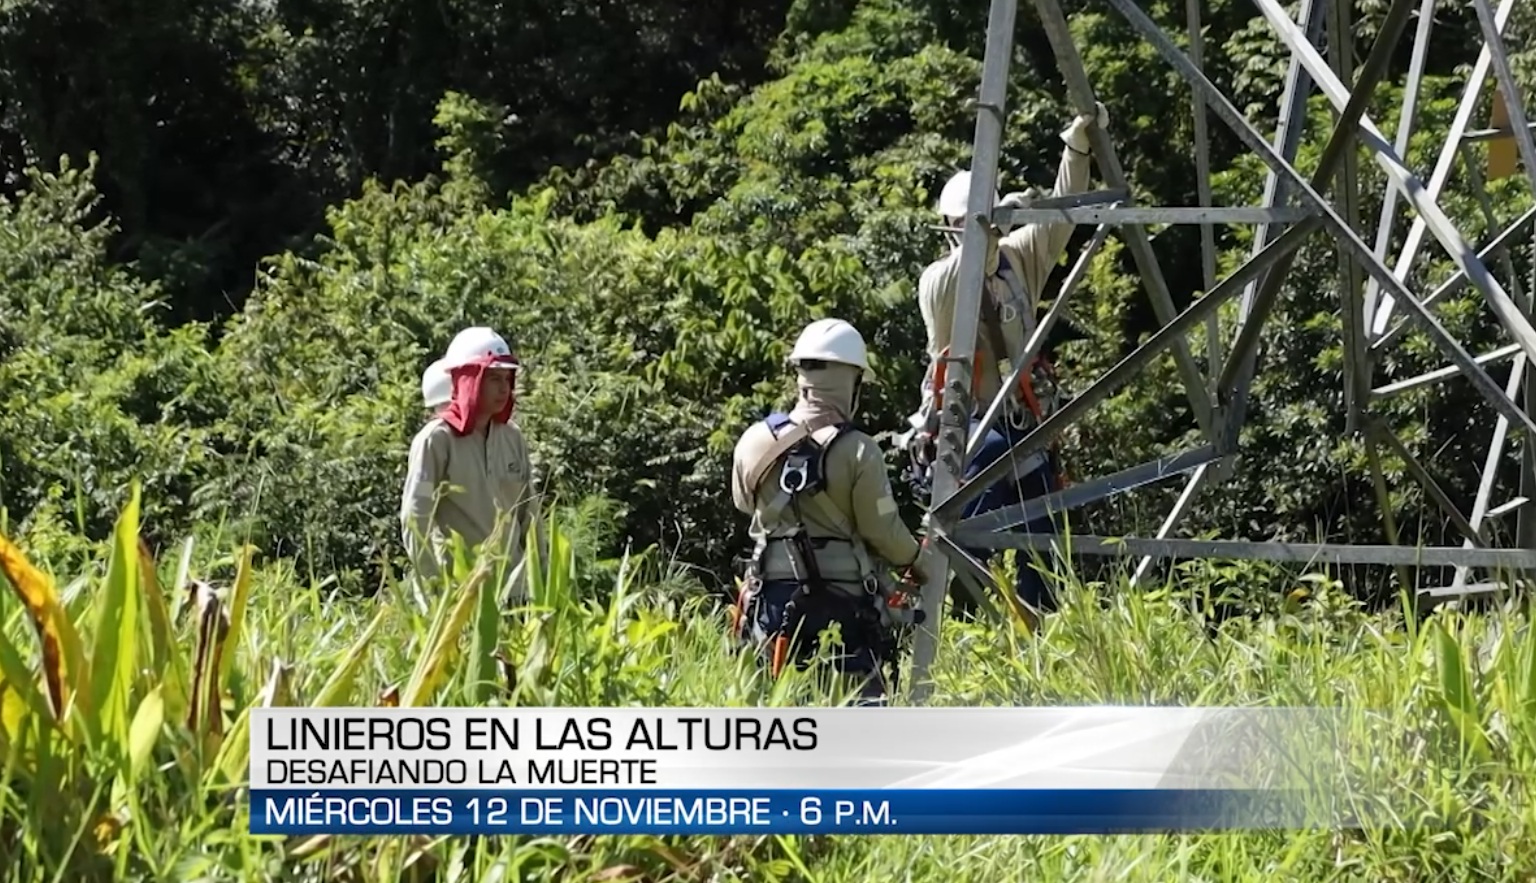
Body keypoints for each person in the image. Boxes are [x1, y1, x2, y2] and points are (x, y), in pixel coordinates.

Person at [904, 102, 1109, 623]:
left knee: (1044, 538)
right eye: (958, 226)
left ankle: (1039, 621)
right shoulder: (939, 281)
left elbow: (1064, 211)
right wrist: (987, 224)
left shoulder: (1019, 258)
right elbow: (963, 264)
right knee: (967, 535)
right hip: (969, 425)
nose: (964, 234)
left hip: (1022, 421)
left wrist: (1077, 146)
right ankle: (964, 620)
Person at [730, 318, 929, 706]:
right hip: (845, 606)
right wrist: (919, 561)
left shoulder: (753, 440)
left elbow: (743, 504)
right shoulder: (859, 450)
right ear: (851, 382)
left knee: (777, 718)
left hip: (771, 601)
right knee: (858, 722)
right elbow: (882, 531)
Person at [400, 327, 541, 603]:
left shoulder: (512, 437)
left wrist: (542, 582)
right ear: (468, 380)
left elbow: (529, 519)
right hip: (461, 596)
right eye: (493, 379)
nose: (504, 388)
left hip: (515, 593)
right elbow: (416, 520)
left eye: (507, 378)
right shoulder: (436, 441)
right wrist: (435, 589)